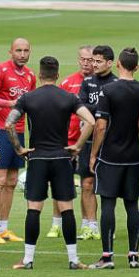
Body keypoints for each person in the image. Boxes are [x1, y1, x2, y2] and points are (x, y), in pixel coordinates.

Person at [9, 56, 95, 270]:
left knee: (34, 209)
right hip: (61, 158)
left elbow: (9, 123)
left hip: (37, 159)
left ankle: (28, 260)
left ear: (40, 75)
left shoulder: (28, 98)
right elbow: (91, 121)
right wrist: (77, 146)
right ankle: (73, 260)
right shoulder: (69, 97)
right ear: (57, 75)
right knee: (66, 209)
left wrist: (19, 149)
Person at [88, 47, 139, 269]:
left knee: (108, 205)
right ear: (137, 67)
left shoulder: (109, 91)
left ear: (117, 65)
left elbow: (101, 126)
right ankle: (134, 256)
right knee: (132, 205)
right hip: (133, 156)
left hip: (111, 156)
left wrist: (93, 154)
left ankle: (107, 257)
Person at [0, 38, 36, 244]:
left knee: (12, 181)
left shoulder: (31, 75)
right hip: (1, 130)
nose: (22, 54)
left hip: (20, 131)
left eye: (25, 50)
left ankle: (3, 228)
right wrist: (9, 102)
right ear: (10, 52)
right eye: (18, 50)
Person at [47, 45, 94, 238]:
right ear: (78, 60)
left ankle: (87, 224)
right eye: (83, 59)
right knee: (60, 183)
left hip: (88, 143)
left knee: (88, 184)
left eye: (90, 59)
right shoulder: (67, 83)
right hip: (66, 141)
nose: (86, 63)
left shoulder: (98, 85)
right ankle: (56, 224)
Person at [77, 45, 118, 240]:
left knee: (109, 186)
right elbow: (81, 106)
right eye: (92, 61)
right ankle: (91, 225)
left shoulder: (116, 83)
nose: (93, 64)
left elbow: (116, 112)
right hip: (88, 141)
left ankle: (108, 224)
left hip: (109, 141)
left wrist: (94, 110)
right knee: (87, 183)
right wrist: (102, 108)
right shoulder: (87, 82)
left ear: (109, 63)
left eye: (98, 61)